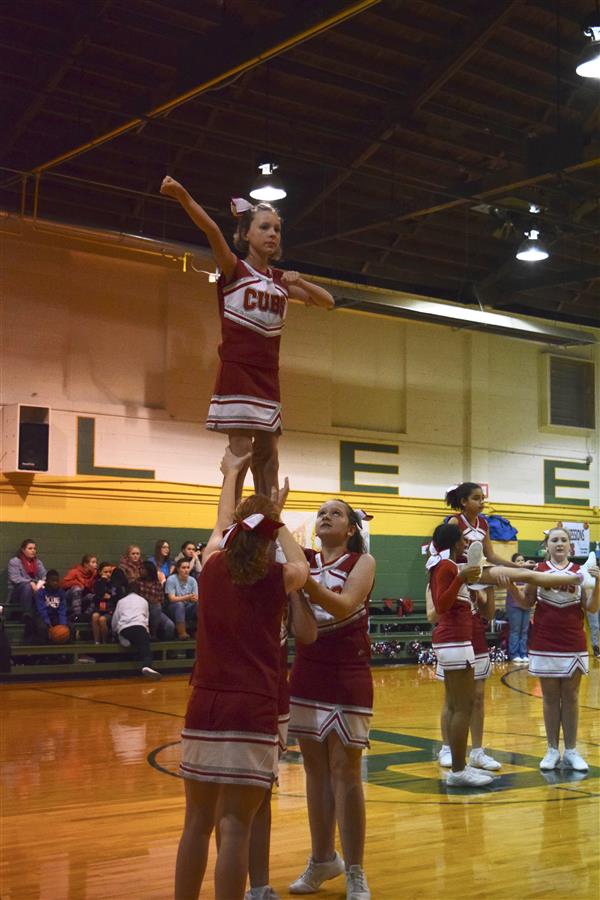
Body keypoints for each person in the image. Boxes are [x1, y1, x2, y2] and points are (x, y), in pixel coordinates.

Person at [174, 449, 309, 900]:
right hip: (251, 707)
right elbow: (304, 567)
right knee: (234, 827)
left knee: (196, 824)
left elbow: (217, 528)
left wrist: (231, 474)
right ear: (269, 537)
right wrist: (278, 516)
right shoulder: (279, 578)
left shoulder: (210, 568)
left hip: (205, 705)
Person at [160, 175, 334, 502]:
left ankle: (267, 524)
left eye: (277, 229)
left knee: (268, 458)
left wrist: (304, 283)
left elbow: (328, 301)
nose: (272, 234)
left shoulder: (281, 280)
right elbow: (211, 229)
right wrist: (181, 194)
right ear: (246, 233)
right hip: (237, 371)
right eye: (265, 227)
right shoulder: (234, 269)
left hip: (268, 376)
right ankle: (231, 525)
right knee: (239, 454)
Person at [288, 499, 376, 900]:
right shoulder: (304, 557)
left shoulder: (362, 563)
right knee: (315, 770)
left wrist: (303, 580)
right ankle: (322, 857)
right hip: (307, 670)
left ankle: (355, 869)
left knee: (345, 770)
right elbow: (275, 532)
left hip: (348, 672)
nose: (326, 516)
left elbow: (343, 604)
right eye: (321, 512)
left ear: (352, 529)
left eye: (336, 513)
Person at [246, 591, 318, 900]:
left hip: (271, 695)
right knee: (229, 813)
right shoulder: (221, 572)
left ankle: (259, 887)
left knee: (261, 799)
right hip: (239, 691)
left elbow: (307, 633)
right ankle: (242, 888)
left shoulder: (282, 578)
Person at [515, 529, 599, 771]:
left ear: (571, 547)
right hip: (544, 641)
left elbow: (591, 608)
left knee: (571, 698)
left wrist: (599, 581)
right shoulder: (537, 571)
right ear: (547, 546)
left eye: (564, 540)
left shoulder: (580, 572)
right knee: (550, 699)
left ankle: (571, 750)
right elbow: (525, 602)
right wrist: (511, 585)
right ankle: (552, 749)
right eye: (555, 540)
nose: (560, 543)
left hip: (573, 641)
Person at [427, 523, 495, 788]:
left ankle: (460, 766)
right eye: (463, 542)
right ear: (456, 543)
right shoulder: (446, 567)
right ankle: (458, 770)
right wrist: (460, 577)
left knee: (459, 706)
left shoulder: (447, 566)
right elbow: (442, 605)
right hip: (453, 641)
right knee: (462, 707)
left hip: (456, 641)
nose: (466, 545)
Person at [426, 580, 502, 773]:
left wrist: (489, 589)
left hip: (476, 637)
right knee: (452, 698)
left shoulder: (478, 580)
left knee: (477, 697)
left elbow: (489, 614)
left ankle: (477, 752)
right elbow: (432, 616)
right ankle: (446, 748)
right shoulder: (438, 580)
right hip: (453, 638)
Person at [111, 582, 161, 679]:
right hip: (139, 626)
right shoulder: (143, 601)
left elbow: (115, 620)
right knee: (145, 648)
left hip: (124, 628)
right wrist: (147, 634)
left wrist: (115, 631)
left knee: (125, 633)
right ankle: (146, 666)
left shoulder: (121, 601)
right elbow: (146, 618)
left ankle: (123, 638)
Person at [7, 539, 46, 638]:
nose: (33, 551)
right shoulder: (14, 561)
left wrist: (39, 583)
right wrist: (30, 582)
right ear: (23, 550)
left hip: (34, 592)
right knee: (27, 586)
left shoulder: (37, 562)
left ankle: (43, 615)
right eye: (30, 548)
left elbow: (44, 576)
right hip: (17, 593)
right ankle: (27, 613)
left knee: (44, 587)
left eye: (34, 548)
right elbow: (15, 578)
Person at [138, 561, 175, 640]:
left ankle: (164, 650)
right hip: (141, 610)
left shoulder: (157, 584)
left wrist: (154, 602)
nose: (140, 570)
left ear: (149, 570)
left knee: (170, 626)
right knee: (155, 606)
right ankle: (153, 634)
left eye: (143, 568)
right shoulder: (137, 583)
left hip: (156, 611)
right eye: (140, 568)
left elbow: (161, 600)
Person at [505, 553, 530, 664]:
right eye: (518, 560)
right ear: (513, 563)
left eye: (522, 560)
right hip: (514, 605)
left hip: (526, 605)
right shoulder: (511, 573)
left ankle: (523, 653)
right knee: (515, 630)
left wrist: (523, 587)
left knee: (524, 631)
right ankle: (514, 654)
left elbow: (529, 588)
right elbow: (514, 587)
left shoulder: (527, 574)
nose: (521, 562)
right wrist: (523, 587)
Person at [165, 558, 199, 639]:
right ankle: (182, 633)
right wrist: (187, 597)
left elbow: (196, 597)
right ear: (178, 569)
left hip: (188, 607)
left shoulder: (192, 580)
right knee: (179, 605)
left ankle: (199, 632)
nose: (186, 570)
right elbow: (172, 599)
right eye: (183, 568)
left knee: (199, 605)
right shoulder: (171, 579)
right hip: (173, 608)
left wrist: (194, 599)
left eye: (188, 567)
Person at [33, 570, 68, 643]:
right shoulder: (40, 593)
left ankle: (66, 653)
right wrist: (48, 624)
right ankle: (45, 651)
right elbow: (41, 610)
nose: (55, 583)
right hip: (43, 617)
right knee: (42, 628)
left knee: (69, 628)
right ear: (47, 581)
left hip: (55, 616)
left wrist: (63, 624)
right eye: (53, 580)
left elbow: (62, 610)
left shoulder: (61, 593)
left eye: (57, 581)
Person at [61, 555, 98, 622]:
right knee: (77, 589)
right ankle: (77, 615)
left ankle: (86, 615)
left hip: (82, 598)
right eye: (93, 562)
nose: (96, 564)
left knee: (94, 597)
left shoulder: (93, 575)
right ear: (86, 564)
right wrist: (76, 583)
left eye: (96, 562)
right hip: (69, 598)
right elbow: (63, 584)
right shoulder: (75, 572)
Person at [90, 562, 118, 644]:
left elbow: (116, 598)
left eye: (110, 572)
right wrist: (103, 580)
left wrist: (109, 597)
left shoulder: (114, 584)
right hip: (99, 608)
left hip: (110, 610)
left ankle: (105, 642)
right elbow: (99, 594)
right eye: (105, 572)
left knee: (102, 620)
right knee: (95, 616)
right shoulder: (98, 583)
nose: (108, 574)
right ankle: (97, 642)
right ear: (100, 572)